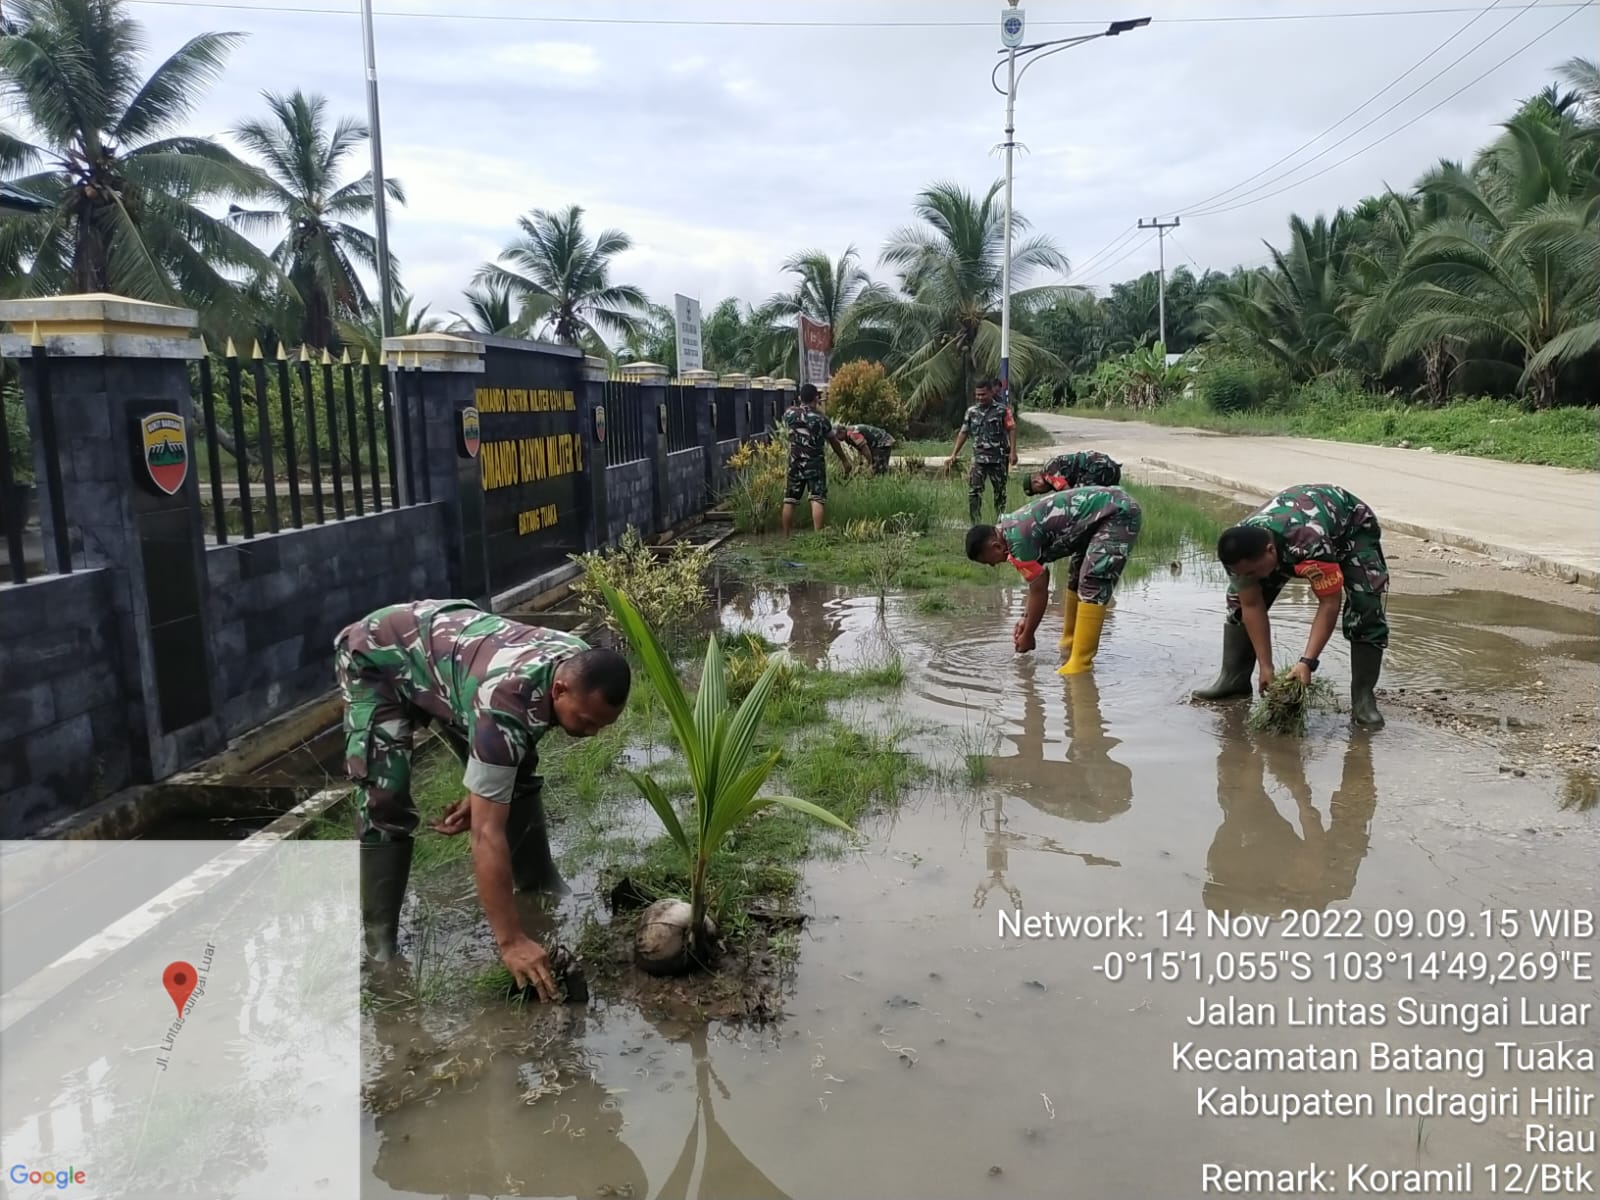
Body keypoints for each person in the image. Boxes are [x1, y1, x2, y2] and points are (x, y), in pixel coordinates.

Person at [337, 599, 631, 999]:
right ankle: (379, 944)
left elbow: (508, 758)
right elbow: (487, 834)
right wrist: (511, 942)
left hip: (457, 665)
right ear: (560, 689)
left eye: (602, 725)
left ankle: (539, 883)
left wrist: (481, 794)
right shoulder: (507, 702)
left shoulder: (573, 661)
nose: (592, 733)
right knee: (385, 796)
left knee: (519, 767)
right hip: (379, 655)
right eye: (586, 721)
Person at [1191, 483, 1388, 729]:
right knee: (1237, 603)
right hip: (1286, 541)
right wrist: (1266, 667)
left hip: (1350, 529)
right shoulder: (1238, 550)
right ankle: (1234, 680)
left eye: (1252, 572)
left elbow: (1329, 603)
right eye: (1244, 573)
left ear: (1271, 551)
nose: (1250, 576)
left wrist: (1306, 662)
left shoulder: (1309, 543)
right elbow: (1251, 605)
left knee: (1365, 605)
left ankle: (1363, 699)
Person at [965, 486, 1143, 674]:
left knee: (1094, 579)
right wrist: (1026, 619)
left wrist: (1028, 635)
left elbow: (1039, 589)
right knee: (1076, 576)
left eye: (988, 562)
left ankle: (1080, 664)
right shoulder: (1011, 530)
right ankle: (1069, 643)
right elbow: (1040, 578)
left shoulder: (1017, 542)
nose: (993, 566)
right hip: (1099, 517)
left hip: (1117, 513)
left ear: (996, 546)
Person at [781, 383, 853, 535]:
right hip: (815, 463)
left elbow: (790, 425)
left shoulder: (790, 414)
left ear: (800, 397)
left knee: (790, 499)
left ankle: (786, 535)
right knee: (817, 498)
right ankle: (817, 536)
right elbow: (834, 442)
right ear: (816, 398)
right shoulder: (821, 419)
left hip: (795, 462)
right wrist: (844, 460)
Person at [946, 378, 1017, 523]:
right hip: (979, 459)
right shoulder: (971, 412)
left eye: (983, 394)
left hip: (998, 459)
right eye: (977, 395)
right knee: (974, 492)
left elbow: (1011, 429)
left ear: (991, 392)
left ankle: (1000, 522)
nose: (980, 397)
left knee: (1000, 492)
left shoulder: (1002, 410)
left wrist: (1013, 452)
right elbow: (963, 432)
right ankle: (975, 523)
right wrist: (954, 454)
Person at [1022, 450, 1123, 496]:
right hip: (1110, 466)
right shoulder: (1051, 469)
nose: (1042, 493)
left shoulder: (1049, 473)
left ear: (1036, 482)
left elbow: (1068, 494)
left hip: (1096, 468)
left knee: (1080, 499)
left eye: (1038, 491)